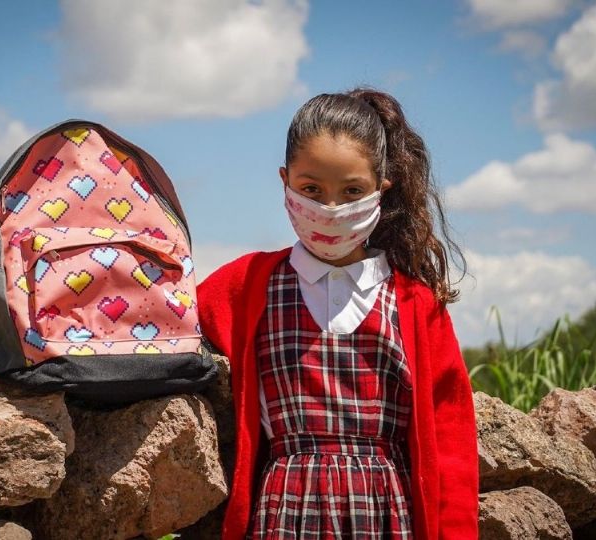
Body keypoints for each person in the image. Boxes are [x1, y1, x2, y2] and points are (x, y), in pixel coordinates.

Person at [196, 87, 479, 539]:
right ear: (284, 181)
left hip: (386, 513)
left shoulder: (415, 304)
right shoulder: (246, 286)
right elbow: (163, 321)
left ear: (381, 188)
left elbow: (451, 441)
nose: (330, 208)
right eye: (311, 189)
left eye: (352, 191)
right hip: (284, 510)